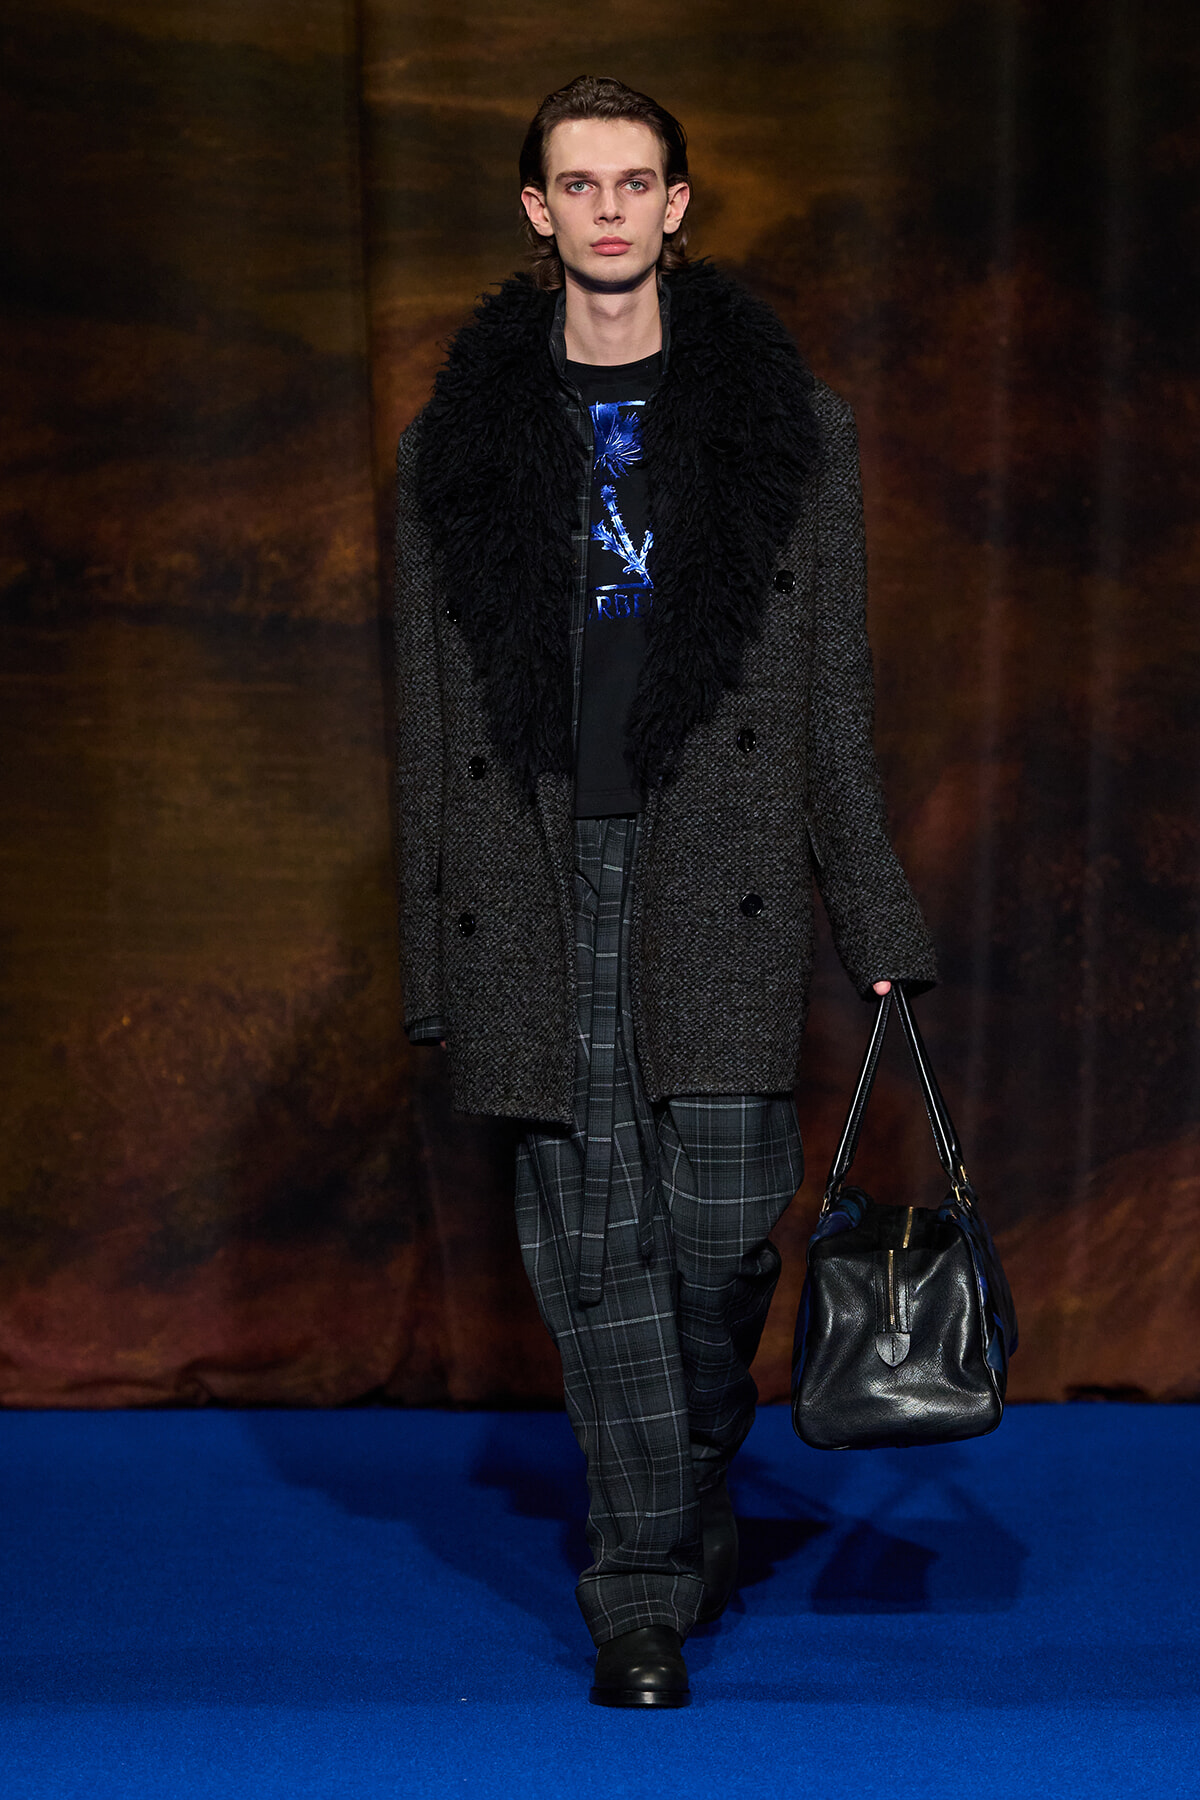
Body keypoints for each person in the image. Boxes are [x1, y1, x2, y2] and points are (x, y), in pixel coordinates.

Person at [393, 74, 936, 1708]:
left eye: (639, 180)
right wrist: (431, 949)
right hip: (537, 863)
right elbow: (426, 716)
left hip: (727, 862)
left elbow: (831, 698)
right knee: (592, 1248)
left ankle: (689, 1480)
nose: (612, 208)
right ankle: (638, 1587)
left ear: (680, 206)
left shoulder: (793, 430)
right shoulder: (458, 443)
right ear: (537, 213)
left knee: (719, 1230)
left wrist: (878, 915)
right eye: (581, 182)